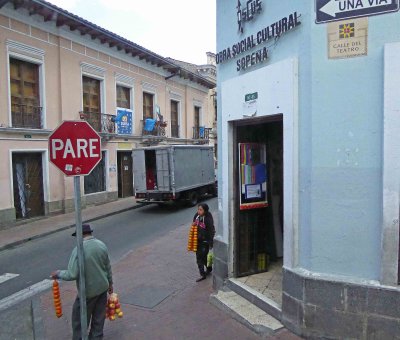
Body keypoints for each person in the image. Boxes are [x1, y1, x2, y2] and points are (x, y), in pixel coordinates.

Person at [51, 224, 113, 340]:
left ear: (80, 235)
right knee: (98, 319)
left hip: (87, 292)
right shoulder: (101, 245)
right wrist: (110, 284)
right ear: (90, 233)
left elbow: (72, 274)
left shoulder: (79, 250)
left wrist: (58, 273)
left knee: (78, 320)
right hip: (102, 288)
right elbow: (107, 267)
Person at [192, 203, 215, 282]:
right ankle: (209, 268)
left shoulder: (208, 219)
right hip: (197, 240)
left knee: (199, 258)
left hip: (205, 242)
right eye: (198, 209)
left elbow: (211, 231)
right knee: (203, 257)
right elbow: (194, 224)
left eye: (201, 210)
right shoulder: (197, 216)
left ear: (205, 211)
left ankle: (202, 274)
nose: (198, 211)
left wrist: (210, 243)